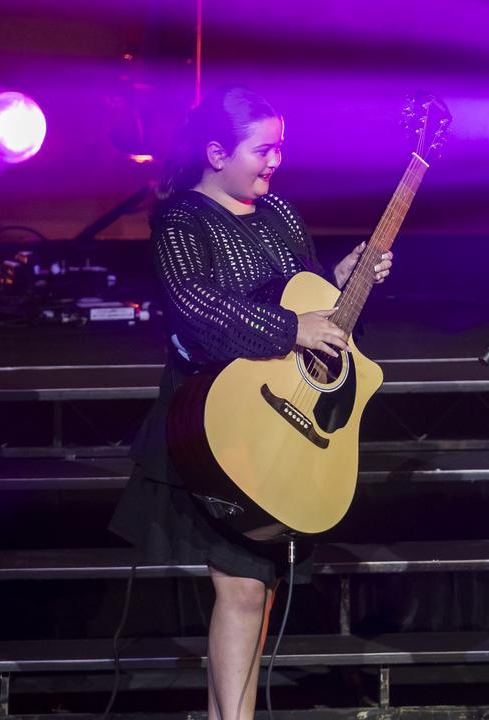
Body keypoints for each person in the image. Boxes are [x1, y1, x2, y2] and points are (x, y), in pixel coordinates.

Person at [109, 86, 392, 720]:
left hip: (279, 416)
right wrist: (292, 330)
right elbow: (197, 308)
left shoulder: (281, 216)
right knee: (241, 584)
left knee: (256, 587)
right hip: (212, 421)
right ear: (216, 152)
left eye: (280, 149)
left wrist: (342, 283)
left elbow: (305, 294)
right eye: (262, 149)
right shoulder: (181, 218)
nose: (274, 162)